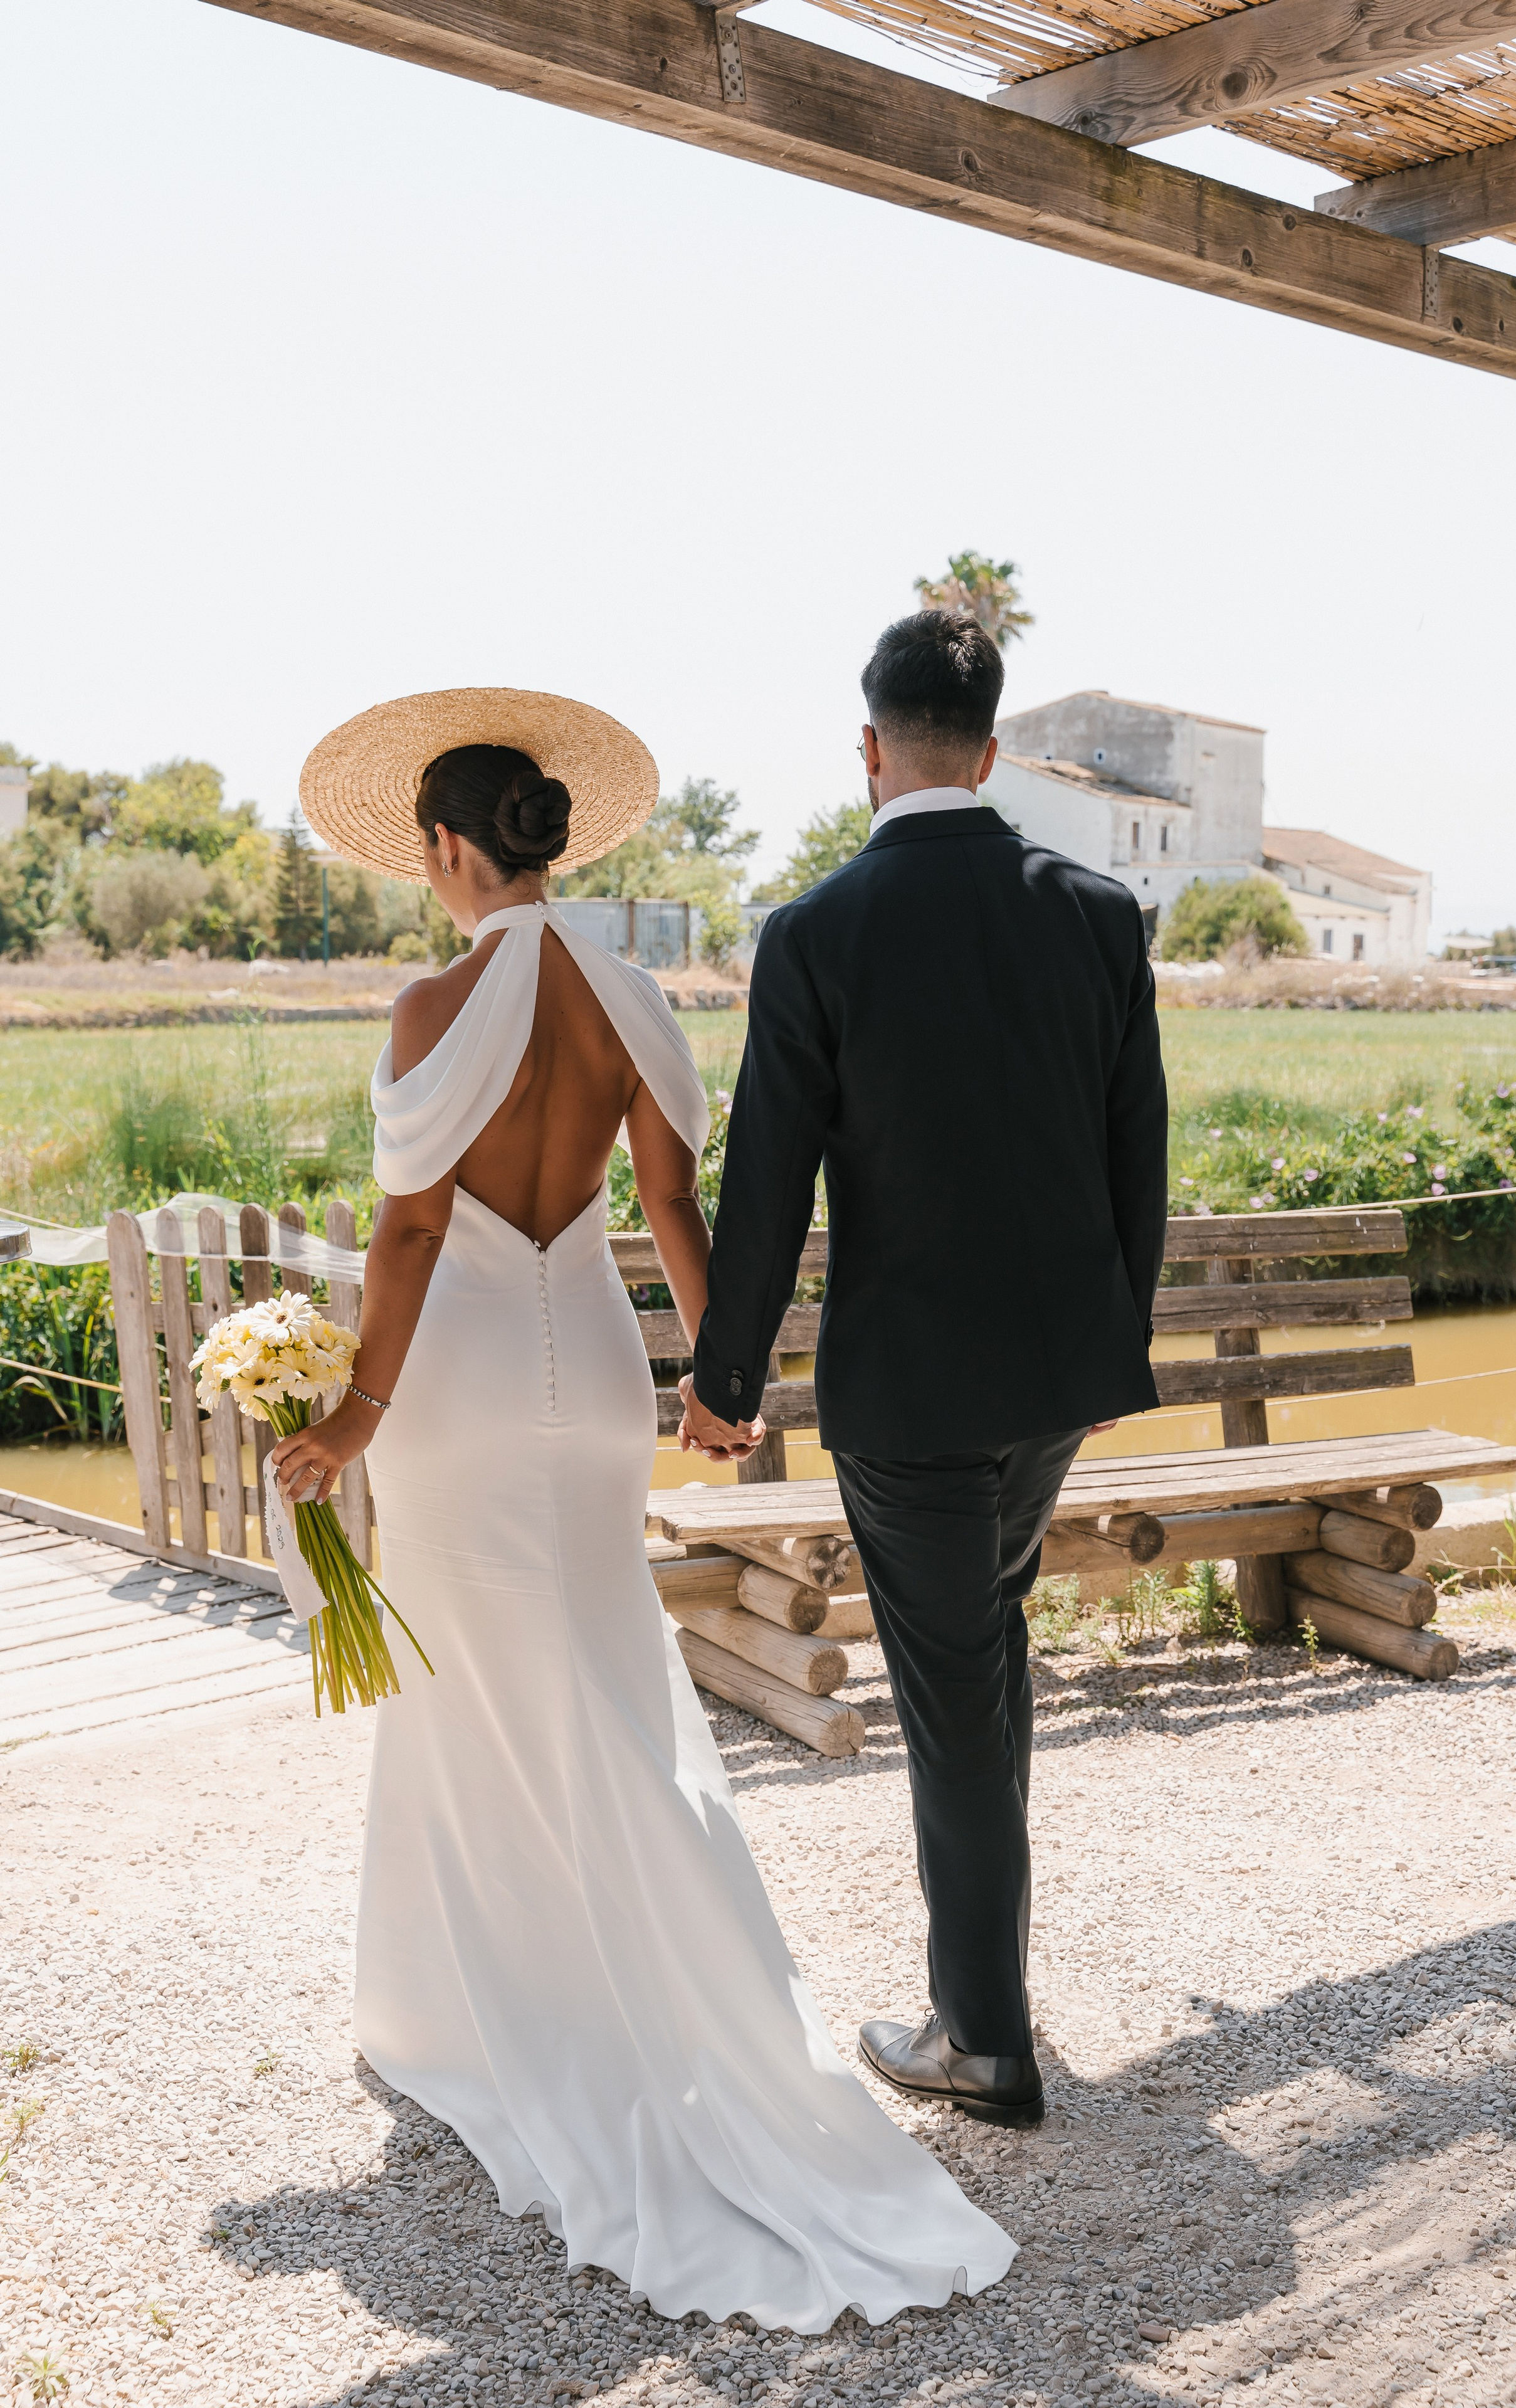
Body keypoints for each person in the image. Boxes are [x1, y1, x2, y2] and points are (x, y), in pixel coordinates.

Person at [269, 687, 1014, 2332]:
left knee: (473, 1694)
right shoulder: (634, 995)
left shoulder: (425, 1006)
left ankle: (499, 2007)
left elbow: (401, 1242)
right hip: (597, 1370)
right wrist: (723, 1381)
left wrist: (350, 1418)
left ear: (450, 849)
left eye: (429, 844)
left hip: (455, 1386)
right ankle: (659, 1992)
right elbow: (676, 1199)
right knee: (605, 1683)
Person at [681, 615, 1169, 2129]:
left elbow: (767, 1181)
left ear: (871, 748)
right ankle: (984, 2001)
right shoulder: (1094, 911)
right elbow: (1133, 1151)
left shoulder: (819, 930)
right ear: (996, 743)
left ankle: (983, 2039)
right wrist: (1113, 1344)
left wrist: (722, 1380)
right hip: (1051, 1391)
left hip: (907, 1402)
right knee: (984, 1658)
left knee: (958, 1692)